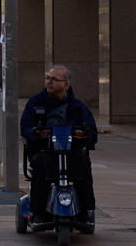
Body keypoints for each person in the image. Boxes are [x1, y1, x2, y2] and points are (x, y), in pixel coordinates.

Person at [20, 64, 98, 226]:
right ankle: (38, 212)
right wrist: (36, 133)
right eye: (48, 78)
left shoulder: (77, 107)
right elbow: (25, 127)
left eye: (54, 79)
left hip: (70, 151)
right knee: (41, 165)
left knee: (83, 164)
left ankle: (85, 211)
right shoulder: (35, 103)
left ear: (66, 85)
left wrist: (83, 134)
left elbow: (91, 130)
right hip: (44, 150)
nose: (49, 82)